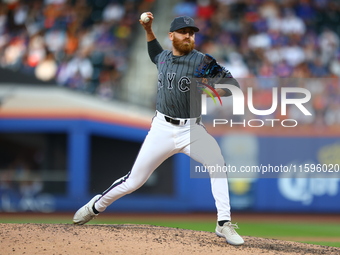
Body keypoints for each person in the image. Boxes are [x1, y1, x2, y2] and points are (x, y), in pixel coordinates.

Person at [73, 12, 244, 246]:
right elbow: (154, 52)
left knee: (217, 164)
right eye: (184, 32)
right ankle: (95, 206)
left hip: (192, 130)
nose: (188, 36)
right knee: (134, 181)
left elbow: (232, 85)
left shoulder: (201, 61)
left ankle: (223, 223)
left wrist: (209, 90)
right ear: (172, 35)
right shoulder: (163, 57)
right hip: (162, 128)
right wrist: (148, 30)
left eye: (192, 33)